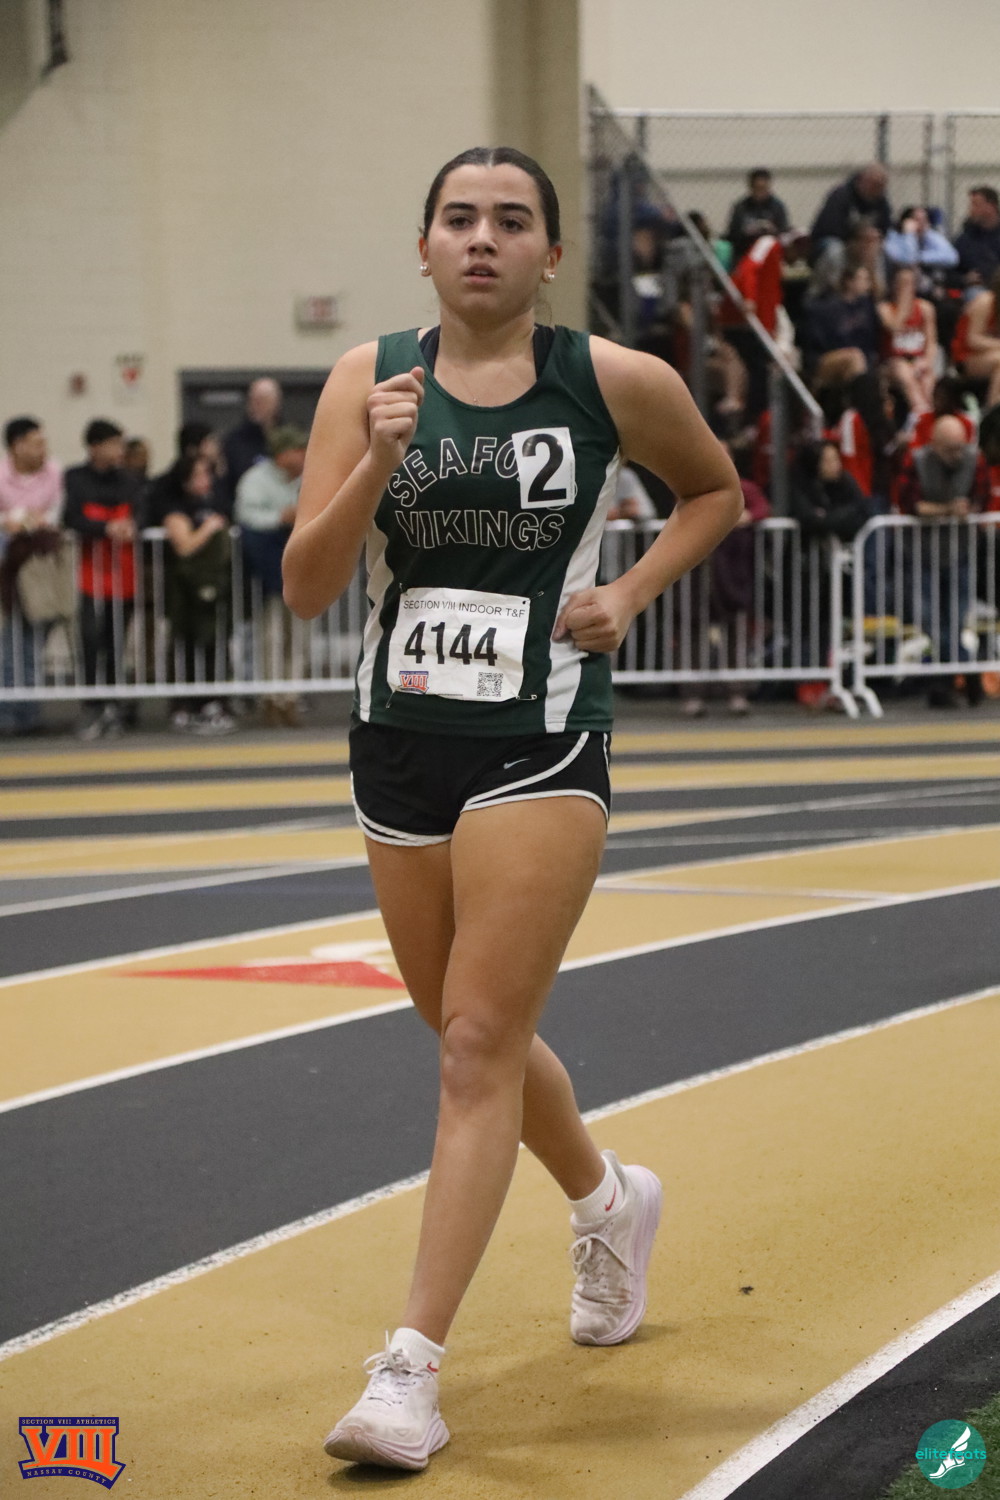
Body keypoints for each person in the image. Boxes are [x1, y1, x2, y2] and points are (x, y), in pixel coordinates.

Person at [282, 145, 742, 1472]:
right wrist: (375, 462)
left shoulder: (612, 380)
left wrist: (630, 593)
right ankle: (607, 1200)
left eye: (511, 220)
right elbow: (309, 586)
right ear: (423, 246)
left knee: (478, 1041)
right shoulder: (365, 379)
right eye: (459, 217)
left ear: (549, 254)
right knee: (462, 1024)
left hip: (542, 736)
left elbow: (714, 490)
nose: (482, 237)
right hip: (398, 741)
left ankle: (410, 1371)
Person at [894, 415, 989, 706]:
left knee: (956, 620)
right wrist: (947, 510)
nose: (957, 455)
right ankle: (966, 668)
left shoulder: (975, 460)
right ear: (934, 444)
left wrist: (965, 509)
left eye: (960, 447)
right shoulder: (917, 461)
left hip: (961, 553)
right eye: (950, 449)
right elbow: (909, 504)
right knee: (930, 620)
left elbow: (981, 499)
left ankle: (946, 682)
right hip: (922, 555)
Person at [63, 419, 140, 740]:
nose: (119, 450)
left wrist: (132, 525)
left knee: (116, 642)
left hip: (124, 575)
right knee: (90, 640)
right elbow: (72, 517)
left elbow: (142, 512)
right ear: (95, 447)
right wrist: (106, 528)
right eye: (113, 444)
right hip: (90, 576)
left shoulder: (129, 479)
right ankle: (92, 705)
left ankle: (114, 703)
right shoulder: (75, 478)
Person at [152, 451, 235, 735]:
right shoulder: (176, 508)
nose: (205, 480)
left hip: (212, 586)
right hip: (185, 588)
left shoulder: (213, 503)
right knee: (185, 645)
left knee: (214, 643)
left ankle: (212, 701)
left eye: (207, 474)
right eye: (198, 475)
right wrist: (208, 529)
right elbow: (184, 546)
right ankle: (183, 704)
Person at [234, 424, 307, 726]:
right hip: (268, 569)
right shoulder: (255, 480)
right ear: (281, 454)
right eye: (298, 450)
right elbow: (246, 515)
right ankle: (271, 698)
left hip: (302, 569)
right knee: (272, 636)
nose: (304, 455)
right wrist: (280, 517)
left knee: (298, 637)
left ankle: (291, 697)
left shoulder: (310, 477)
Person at [0, 417, 64, 736]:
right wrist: (15, 519)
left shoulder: (54, 472)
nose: (43, 449)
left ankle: (28, 713)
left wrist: (31, 520)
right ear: (17, 445)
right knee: (9, 641)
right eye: (36, 443)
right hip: (8, 569)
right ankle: (8, 714)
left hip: (41, 569)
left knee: (32, 642)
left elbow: (55, 514)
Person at [877, 265, 937, 415]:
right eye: (902, 283)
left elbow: (931, 343)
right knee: (904, 372)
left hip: (917, 358)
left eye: (909, 283)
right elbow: (894, 328)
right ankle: (920, 412)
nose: (905, 288)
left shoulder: (925, 308)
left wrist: (926, 361)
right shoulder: (884, 308)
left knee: (928, 378)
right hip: (892, 361)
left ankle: (931, 411)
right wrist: (903, 305)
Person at [221, 377, 282, 510]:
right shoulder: (235, 440)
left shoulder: (287, 437)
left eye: (263, 401)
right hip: (246, 508)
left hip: (282, 508)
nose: (256, 406)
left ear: (276, 403)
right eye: (253, 400)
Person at [951, 269, 1000, 410]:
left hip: (990, 355)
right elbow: (973, 340)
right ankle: (993, 411)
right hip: (967, 357)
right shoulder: (986, 302)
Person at [725, 168, 789, 261]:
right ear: (751, 187)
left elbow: (784, 231)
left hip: (770, 250)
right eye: (757, 188)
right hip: (746, 250)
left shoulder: (777, 206)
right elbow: (733, 234)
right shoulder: (741, 207)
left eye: (763, 188)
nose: (760, 193)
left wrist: (772, 230)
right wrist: (748, 230)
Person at [953, 186, 1000, 289]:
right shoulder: (965, 239)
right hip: (977, 288)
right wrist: (964, 279)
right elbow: (950, 271)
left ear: (991, 207)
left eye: (976, 205)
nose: (971, 210)